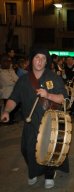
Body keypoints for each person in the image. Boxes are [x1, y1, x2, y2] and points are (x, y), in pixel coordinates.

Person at [1, 48, 69, 189]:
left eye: (43, 58)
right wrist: (6, 111)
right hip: (30, 123)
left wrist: (48, 95)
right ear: (31, 59)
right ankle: (33, 172)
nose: (40, 61)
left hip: (50, 122)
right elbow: (14, 98)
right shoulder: (23, 80)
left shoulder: (53, 77)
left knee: (49, 149)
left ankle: (49, 174)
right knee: (27, 149)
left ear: (46, 62)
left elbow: (63, 98)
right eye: (37, 57)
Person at [0, 54, 19, 124]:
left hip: (13, 91)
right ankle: (7, 120)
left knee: (15, 106)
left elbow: (17, 79)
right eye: (8, 61)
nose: (10, 63)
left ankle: (11, 119)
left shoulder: (11, 70)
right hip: (5, 92)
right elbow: (6, 82)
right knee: (7, 108)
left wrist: (14, 81)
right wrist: (14, 81)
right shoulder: (1, 71)